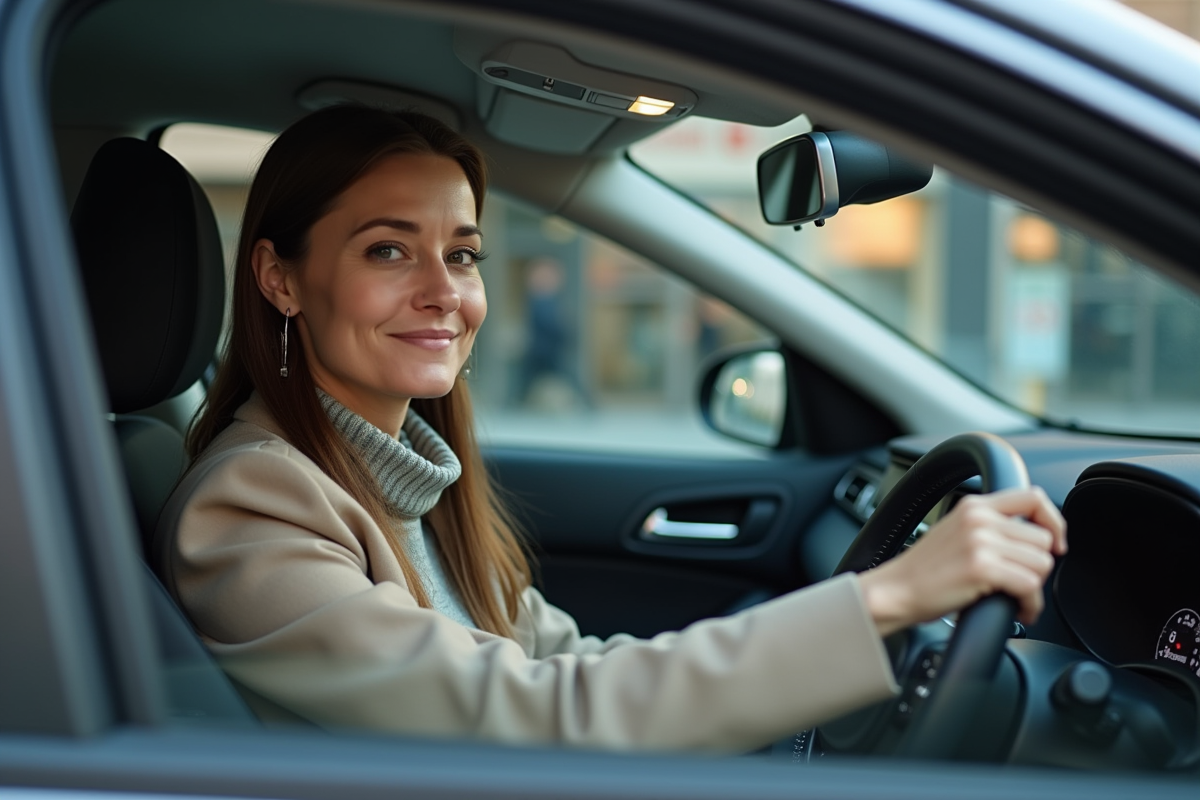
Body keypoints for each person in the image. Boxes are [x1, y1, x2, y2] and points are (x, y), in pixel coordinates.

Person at [156, 104, 1066, 752]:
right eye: (388, 250)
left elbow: (572, 663)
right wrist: (886, 600)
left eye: (463, 253)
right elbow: (534, 714)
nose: (444, 292)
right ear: (280, 279)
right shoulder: (252, 504)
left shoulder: (407, 480)